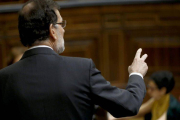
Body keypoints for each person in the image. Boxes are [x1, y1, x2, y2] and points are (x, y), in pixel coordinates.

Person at [0, 0, 148, 120]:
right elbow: (128, 104)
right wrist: (136, 74)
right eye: (61, 24)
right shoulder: (82, 69)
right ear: (52, 31)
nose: (63, 29)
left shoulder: (4, 78)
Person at [110, 71, 180, 120]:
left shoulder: (172, 107)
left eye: (152, 88)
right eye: (148, 87)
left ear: (163, 90)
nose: (148, 91)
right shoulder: (156, 99)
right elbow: (137, 112)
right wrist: (117, 116)